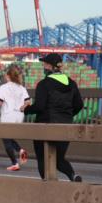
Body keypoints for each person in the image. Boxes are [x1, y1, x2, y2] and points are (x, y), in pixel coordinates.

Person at [22, 53, 84, 182]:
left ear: (49, 66)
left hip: (45, 126)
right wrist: (66, 116)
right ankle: (73, 175)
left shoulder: (44, 84)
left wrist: (26, 109)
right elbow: (79, 105)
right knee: (59, 158)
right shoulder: (72, 83)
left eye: (44, 64)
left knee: (42, 157)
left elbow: (39, 106)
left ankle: (47, 184)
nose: (43, 66)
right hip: (65, 125)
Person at [0, 64, 30, 171]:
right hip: (19, 116)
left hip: (7, 116)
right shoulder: (22, 88)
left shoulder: (3, 87)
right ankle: (21, 151)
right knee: (9, 137)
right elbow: (28, 102)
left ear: (8, 76)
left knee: (6, 140)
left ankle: (15, 163)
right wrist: (21, 107)